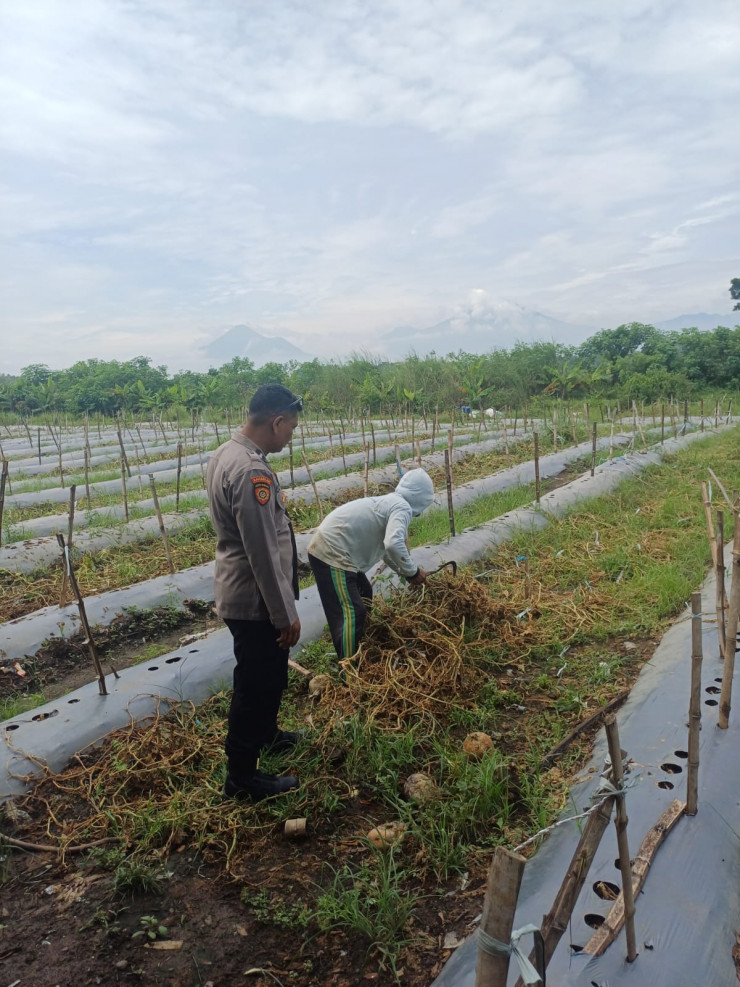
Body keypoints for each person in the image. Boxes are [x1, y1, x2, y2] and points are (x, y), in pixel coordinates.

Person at [207, 383, 303, 800]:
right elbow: (262, 552)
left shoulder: (225, 453)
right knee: (255, 684)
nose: (292, 436)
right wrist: (285, 615)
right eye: (292, 428)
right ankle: (242, 778)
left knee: (269, 674)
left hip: (244, 593)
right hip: (255, 600)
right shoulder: (251, 472)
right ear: (276, 422)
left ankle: (267, 734)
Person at [307, 468, 435, 661]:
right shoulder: (402, 507)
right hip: (332, 553)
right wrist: (413, 572)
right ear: (421, 499)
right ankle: (350, 667)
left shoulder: (391, 502)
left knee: (364, 593)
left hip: (338, 552)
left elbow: (387, 552)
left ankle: (362, 647)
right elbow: (393, 543)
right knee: (353, 612)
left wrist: (407, 574)